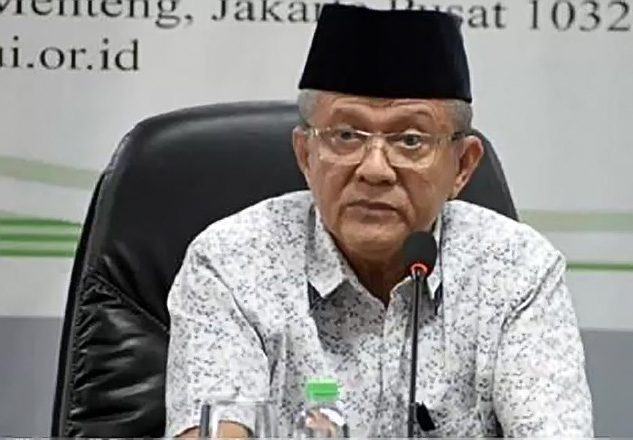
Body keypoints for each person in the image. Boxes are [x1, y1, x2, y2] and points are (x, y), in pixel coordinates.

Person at [165, 3, 594, 438]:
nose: (374, 169)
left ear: (462, 166)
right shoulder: (232, 264)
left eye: (410, 140)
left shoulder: (516, 270)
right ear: (305, 154)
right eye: (345, 135)